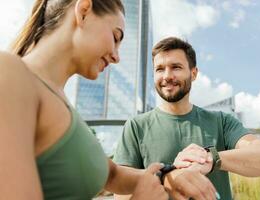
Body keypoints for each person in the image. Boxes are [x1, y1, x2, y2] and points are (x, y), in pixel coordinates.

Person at [0, 0, 175, 199]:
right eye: (116, 37)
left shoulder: (65, 108)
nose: (117, 57)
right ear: (83, 11)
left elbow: (112, 174)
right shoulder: (9, 73)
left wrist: (168, 175)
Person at [113, 37, 260, 200]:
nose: (167, 76)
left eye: (176, 67)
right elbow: (121, 195)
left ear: (193, 73)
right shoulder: (136, 126)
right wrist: (169, 176)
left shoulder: (221, 121)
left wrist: (210, 158)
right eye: (159, 69)